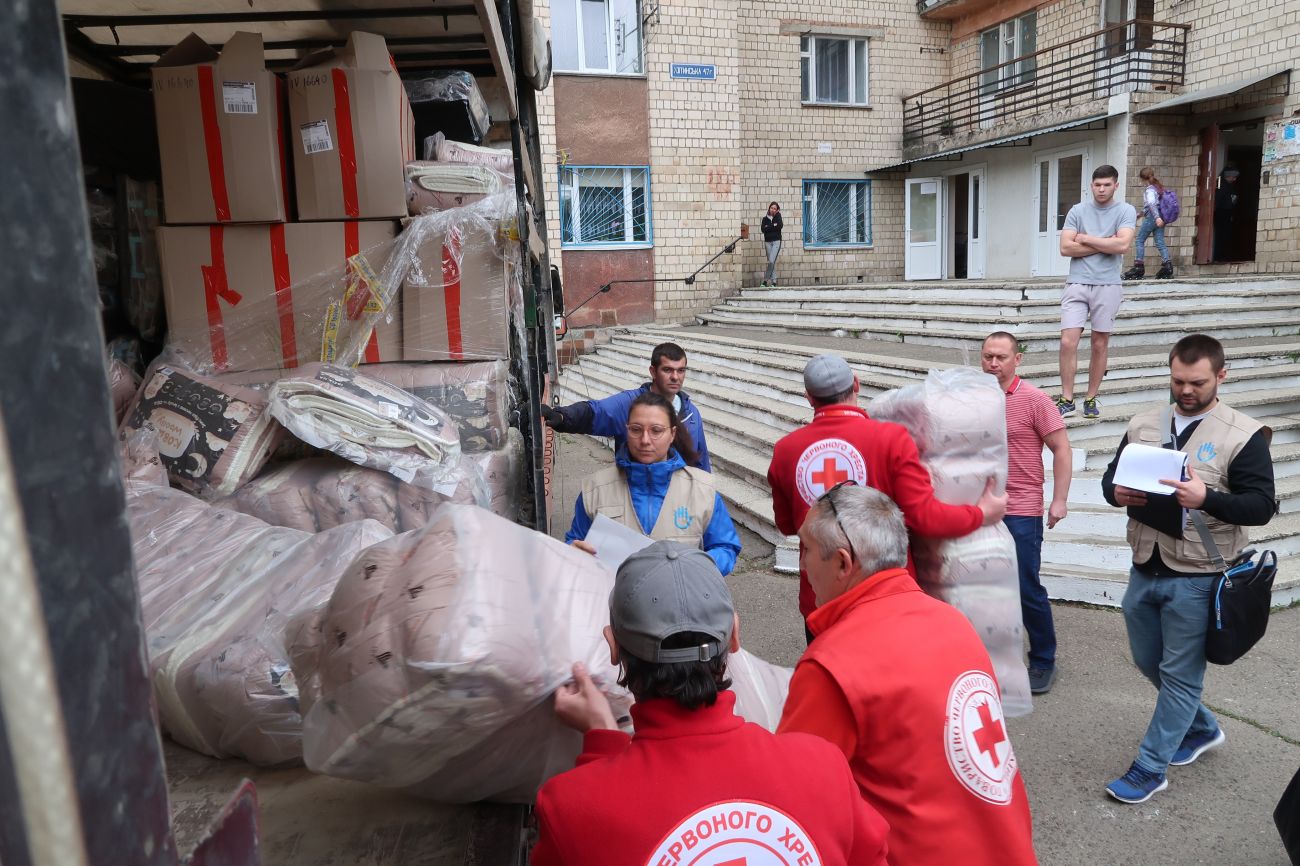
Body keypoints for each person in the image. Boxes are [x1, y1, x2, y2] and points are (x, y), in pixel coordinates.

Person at [531, 541, 891, 866]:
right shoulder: (823, 768)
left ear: (613, 648)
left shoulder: (570, 808)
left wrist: (601, 744)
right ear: (734, 635)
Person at [778, 484, 1039, 866]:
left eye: (807, 549)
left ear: (842, 563)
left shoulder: (833, 665)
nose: (802, 565)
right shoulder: (953, 622)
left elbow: (792, 803)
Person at [1100, 334, 1276, 804]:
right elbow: (1109, 478)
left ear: (1222, 375)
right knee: (1146, 660)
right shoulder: (1143, 423)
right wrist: (1115, 493)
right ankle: (1202, 727)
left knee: (1180, 676)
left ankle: (1149, 769)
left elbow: (1261, 506)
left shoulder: (1242, 434)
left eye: (1196, 382)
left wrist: (1207, 499)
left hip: (1200, 576)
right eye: (1178, 380)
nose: (1185, 391)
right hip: (1146, 564)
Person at [766, 354, 1007, 639]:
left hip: (822, 598)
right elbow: (926, 518)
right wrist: (980, 514)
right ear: (856, 384)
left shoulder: (786, 450)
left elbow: (787, 525)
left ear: (808, 397)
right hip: (886, 596)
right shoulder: (891, 439)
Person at [981, 332, 1073, 695]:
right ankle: (989, 657)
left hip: (1021, 508)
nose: (993, 363)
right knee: (984, 587)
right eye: (988, 356)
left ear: (1017, 360)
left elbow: (1061, 449)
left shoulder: (1034, 400)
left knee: (1024, 587)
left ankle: (1043, 660)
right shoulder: (972, 400)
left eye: (1001, 357)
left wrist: (1059, 500)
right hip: (980, 508)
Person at [567, 391, 741, 575]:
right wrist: (573, 550)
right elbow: (574, 541)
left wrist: (694, 570)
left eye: (656, 431)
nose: (645, 440)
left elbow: (725, 547)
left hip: (681, 601)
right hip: (611, 601)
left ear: (672, 434)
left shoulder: (702, 489)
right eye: (636, 429)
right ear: (626, 430)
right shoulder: (595, 489)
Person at [541, 341, 711, 470]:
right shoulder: (630, 404)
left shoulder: (691, 413)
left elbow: (701, 461)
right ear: (653, 371)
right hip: (635, 495)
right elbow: (596, 412)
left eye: (681, 370)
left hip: (679, 506)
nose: (675, 377)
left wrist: (706, 496)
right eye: (667, 370)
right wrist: (562, 417)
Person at [1057, 164, 1137, 420]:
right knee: (1068, 341)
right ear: (1091, 185)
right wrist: (1105, 243)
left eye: (1107, 185)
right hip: (1077, 282)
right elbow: (1065, 249)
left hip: (1108, 284)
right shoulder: (1077, 211)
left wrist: (1085, 238)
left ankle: (1090, 398)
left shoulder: (1125, 210)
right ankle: (1067, 399)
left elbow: (1123, 245)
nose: (1101, 189)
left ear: (1116, 185)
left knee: (1099, 343)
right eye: (1097, 185)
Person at [1123, 167, 1174, 280]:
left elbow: (1151, 204)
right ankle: (1168, 266)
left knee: (1139, 240)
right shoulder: (1158, 188)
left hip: (1153, 218)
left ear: (1143, 179)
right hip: (1160, 217)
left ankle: (1138, 267)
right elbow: (1152, 205)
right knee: (1160, 242)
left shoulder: (1150, 189)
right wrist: (1141, 214)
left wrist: (1156, 218)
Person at [1214, 168, 1241, 262]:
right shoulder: (1222, 186)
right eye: (1233, 177)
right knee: (1221, 236)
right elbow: (1219, 201)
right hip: (1222, 214)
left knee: (1225, 236)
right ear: (1228, 176)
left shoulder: (1230, 186)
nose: (1235, 179)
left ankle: (1223, 256)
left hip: (1227, 214)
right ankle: (1220, 257)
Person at [760, 201, 783, 286]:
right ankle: (774, 282)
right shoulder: (765, 219)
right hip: (767, 242)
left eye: (774, 208)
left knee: (771, 261)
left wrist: (768, 227)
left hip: (776, 241)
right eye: (771, 208)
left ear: (777, 210)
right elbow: (763, 229)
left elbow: (780, 225)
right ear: (769, 208)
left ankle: (765, 281)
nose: (772, 210)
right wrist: (773, 226)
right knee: (771, 262)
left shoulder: (778, 216)